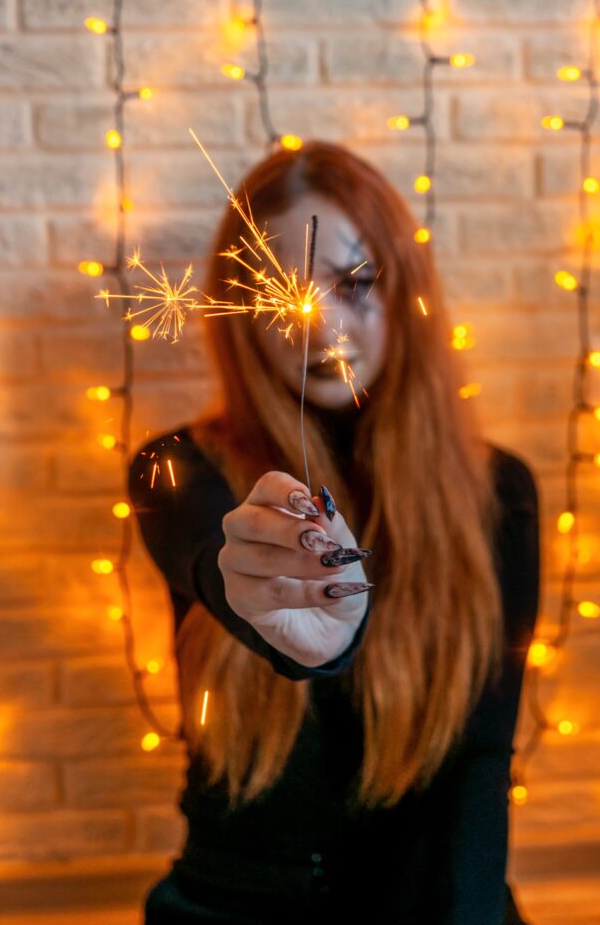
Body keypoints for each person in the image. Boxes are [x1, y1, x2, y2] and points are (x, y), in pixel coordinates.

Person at [128, 140, 540, 925]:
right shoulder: (176, 471)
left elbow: (478, 769)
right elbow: (216, 562)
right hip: (228, 906)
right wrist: (276, 610)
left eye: (356, 284)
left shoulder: (498, 491)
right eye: (280, 296)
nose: (320, 328)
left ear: (404, 288)